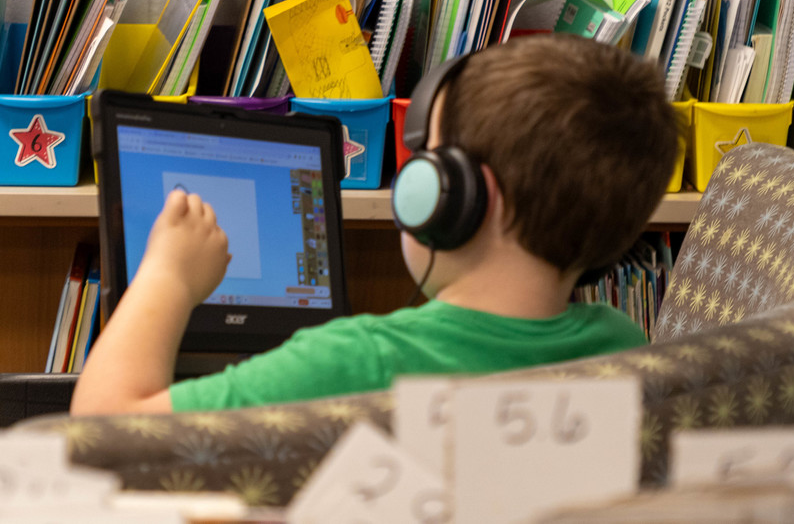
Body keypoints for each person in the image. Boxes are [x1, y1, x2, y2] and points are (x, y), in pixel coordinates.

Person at [71, 33, 680, 415]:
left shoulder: (355, 364)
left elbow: (103, 431)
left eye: (427, 158)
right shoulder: (622, 345)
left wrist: (169, 278)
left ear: (456, 197)